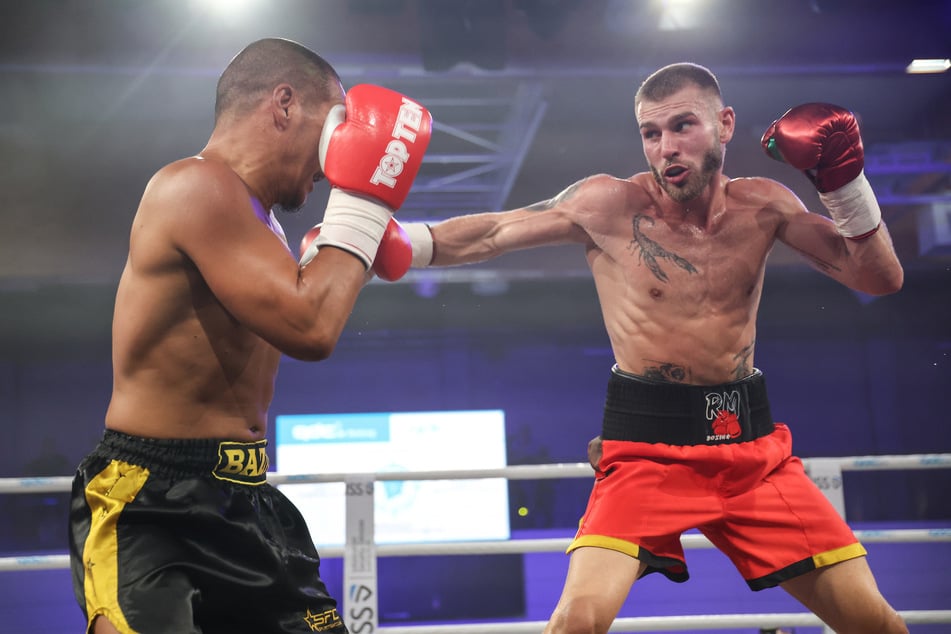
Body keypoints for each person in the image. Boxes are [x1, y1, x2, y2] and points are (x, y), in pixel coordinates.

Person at [400, 63, 906, 633]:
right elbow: (495, 231)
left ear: (725, 124)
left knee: (878, 624)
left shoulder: (766, 206)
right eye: (651, 133)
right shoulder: (608, 205)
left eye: (683, 126)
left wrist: (843, 184)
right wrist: (394, 242)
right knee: (577, 622)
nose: (666, 147)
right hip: (646, 455)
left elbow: (879, 278)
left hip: (751, 457)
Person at [67, 37, 430, 634]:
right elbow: (310, 327)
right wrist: (364, 201)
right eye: (336, 126)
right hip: (152, 507)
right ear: (283, 105)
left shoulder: (262, 225)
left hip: (246, 495)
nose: (334, 156)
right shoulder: (195, 186)